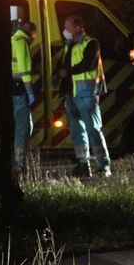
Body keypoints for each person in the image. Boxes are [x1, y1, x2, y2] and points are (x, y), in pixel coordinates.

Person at [56, 15, 111, 178]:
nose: (66, 30)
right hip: (71, 94)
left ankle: (104, 166)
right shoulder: (69, 46)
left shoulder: (91, 43)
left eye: (69, 27)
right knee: (77, 132)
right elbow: (64, 68)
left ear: (79, 27)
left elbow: (89, 64)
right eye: (65, 27)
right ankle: (84, 164)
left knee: (93, 129)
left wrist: (67, 72)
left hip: (86, 93)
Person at [11, 21, 37, 173]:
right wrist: (30, 91)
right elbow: (25, 70)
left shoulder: (11, 39)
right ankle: (20, 166)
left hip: (10, 90)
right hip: (20, 91)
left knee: (18, 128)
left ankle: (16, 163)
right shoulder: (22, 43)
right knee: (24, 128)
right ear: (31, 33)